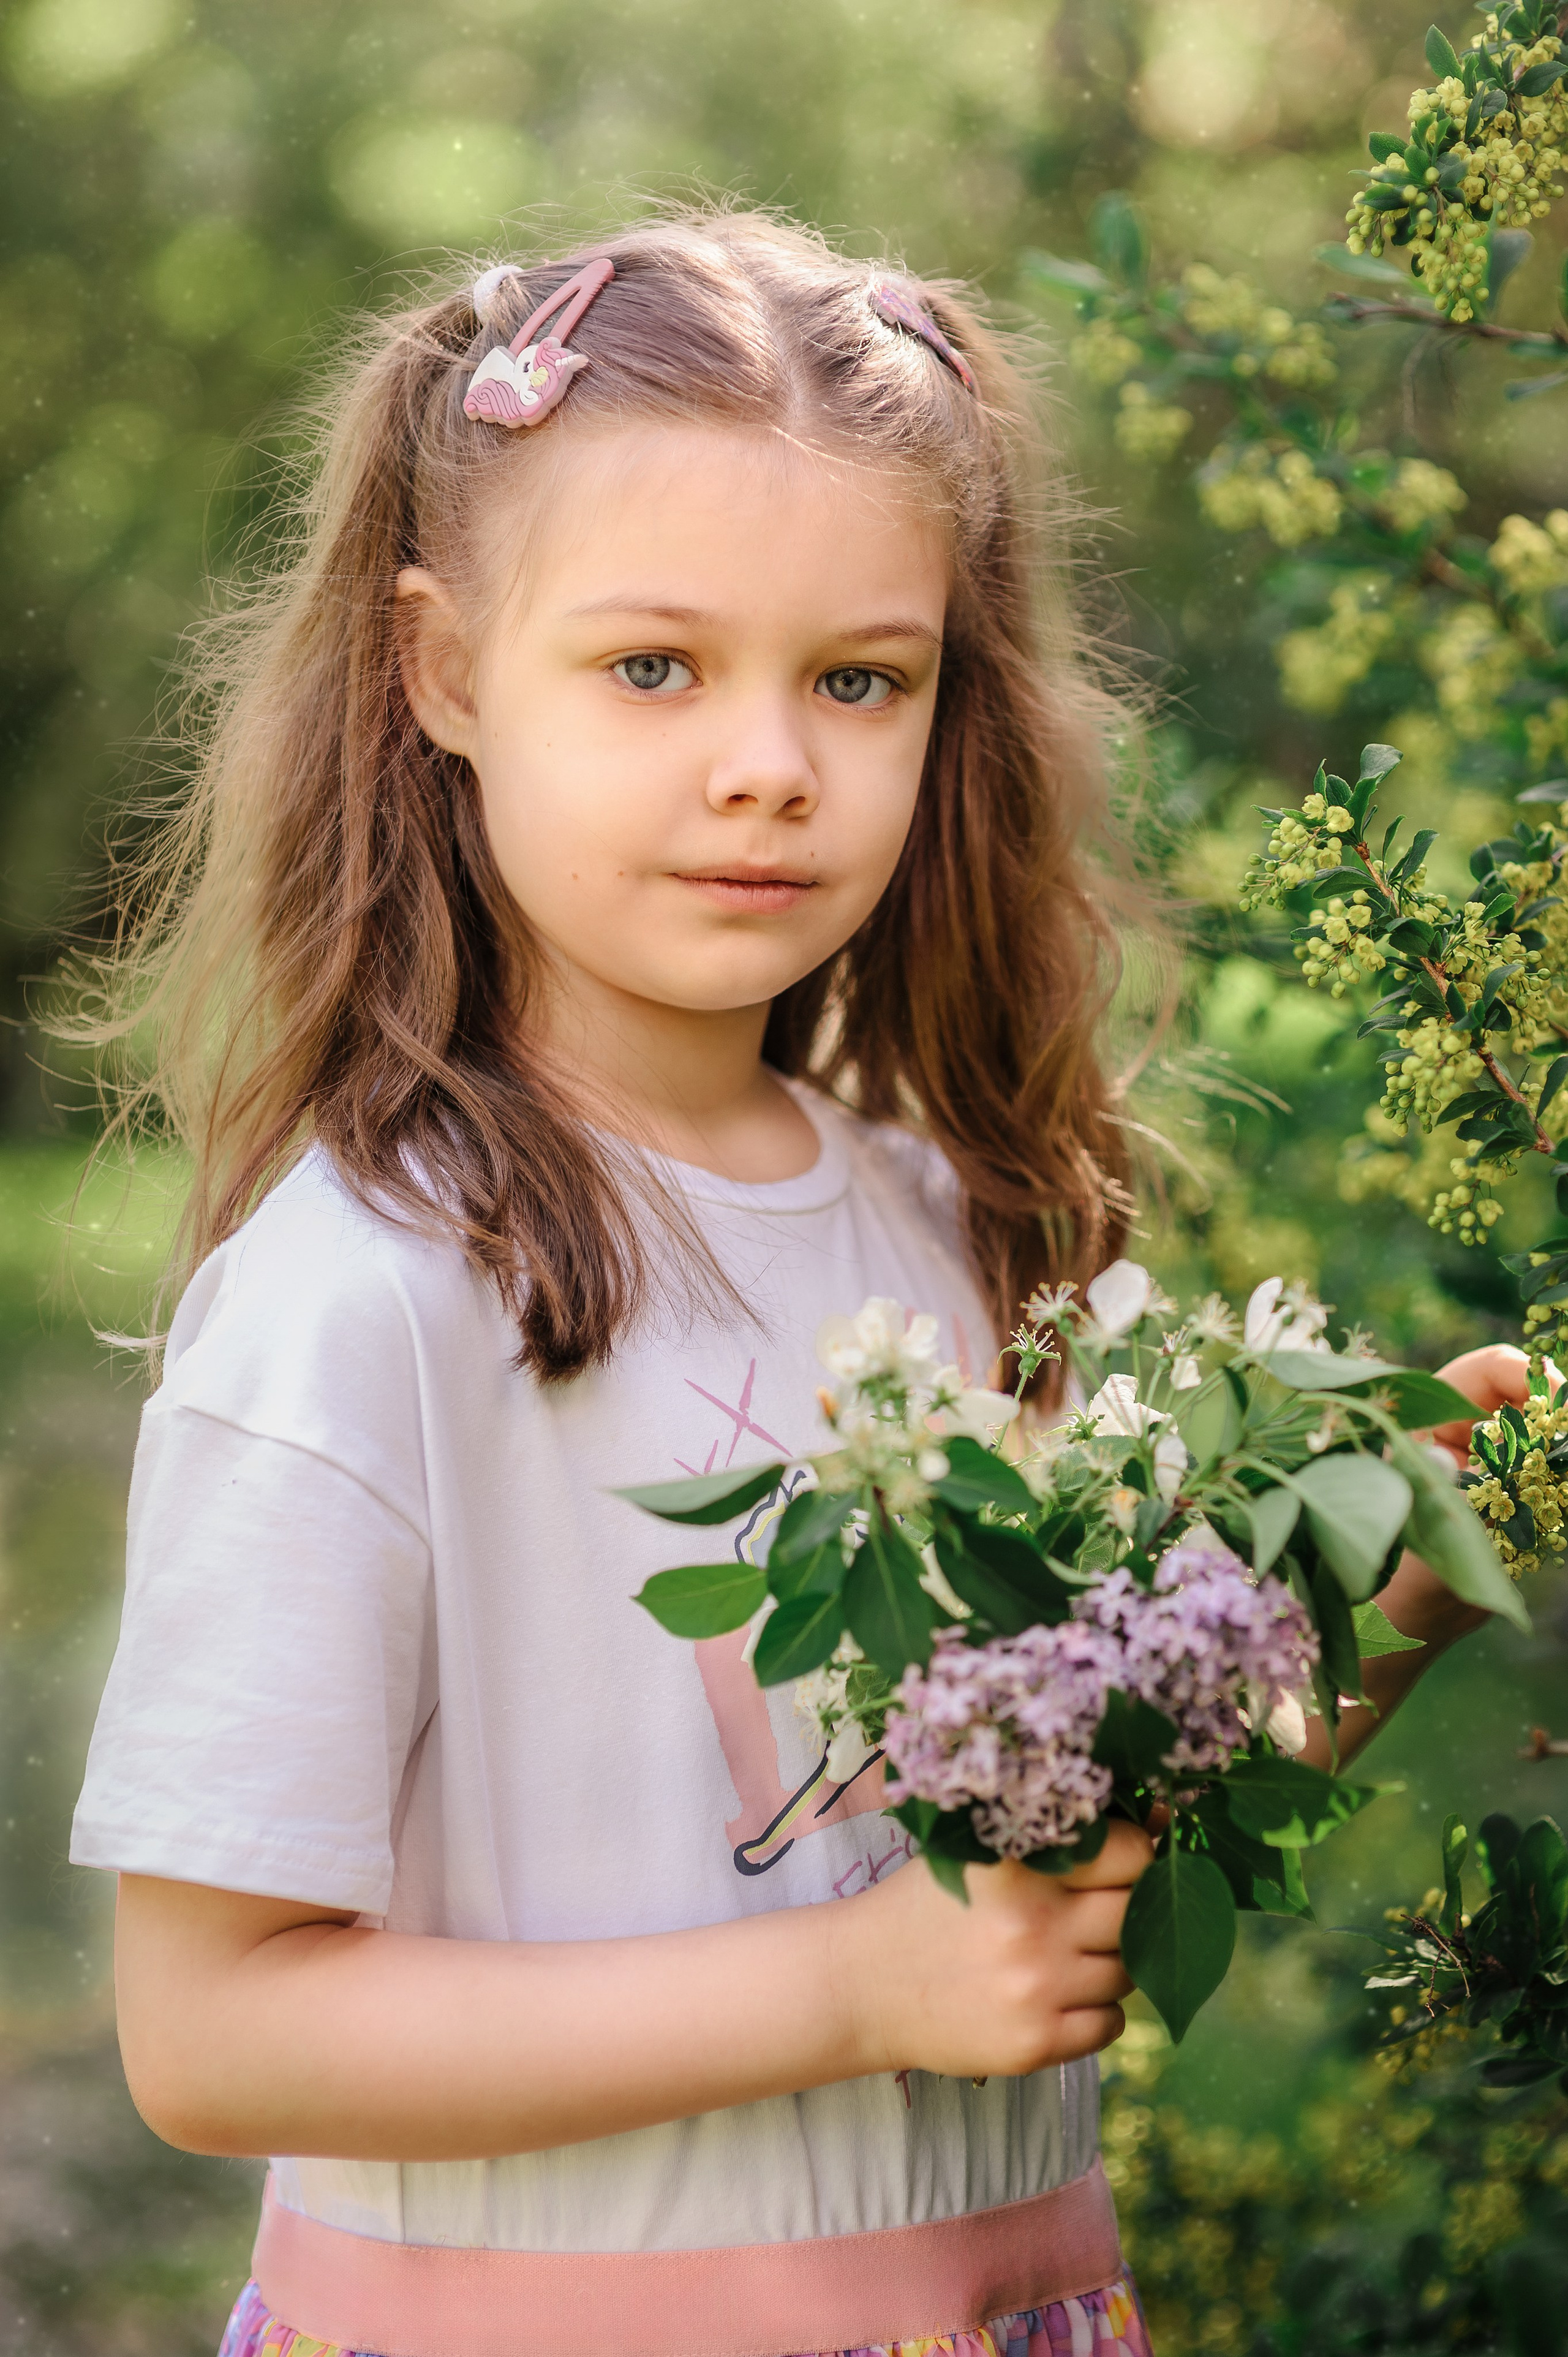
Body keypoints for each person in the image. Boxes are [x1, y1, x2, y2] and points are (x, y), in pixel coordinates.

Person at [66, 210, 1515, 2357]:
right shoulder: (363, 1297)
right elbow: (211, 2035)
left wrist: (1396, 1581)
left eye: (862, 678)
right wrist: (857, 1990)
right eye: (655, 667)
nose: (771, 762)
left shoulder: (970, 1226)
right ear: (442, 667)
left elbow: (1079, 1844)